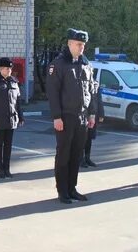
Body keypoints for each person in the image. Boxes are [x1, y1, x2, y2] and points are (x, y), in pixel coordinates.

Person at [46, 28, 96, 204]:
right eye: (78, 44)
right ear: (69, 43)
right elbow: (52, 92)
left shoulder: (85, 64)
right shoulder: (58, 64)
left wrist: (92, 113)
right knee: (64, 154)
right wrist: (56, 117)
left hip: (82, 116)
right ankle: (62, 191)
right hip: (65, 117)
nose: (81, 47)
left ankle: (72, 188)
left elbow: (91, 90)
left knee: (77, 154)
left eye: (83, 45)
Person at [0, 57, 24, 179]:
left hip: (12, 119)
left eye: (10, 68)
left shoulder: (14, 82)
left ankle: (7, 168)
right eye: (7, 68)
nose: (9, 70)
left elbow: (18, 102)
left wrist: (21, 117)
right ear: (0, 69)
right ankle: (0, 169)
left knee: (8, 145)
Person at [81, 80, 103, 168]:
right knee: (82, 139)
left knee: (89, 139)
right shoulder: (83, 84)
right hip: (84, 115)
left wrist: (101, 113)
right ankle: (80, 159)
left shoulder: (95, 85)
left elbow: (99, 100)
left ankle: (87, 158)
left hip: (93, 116)